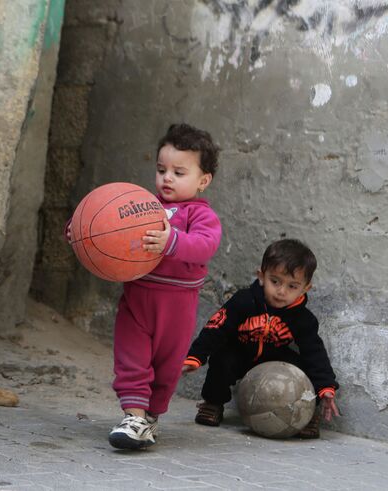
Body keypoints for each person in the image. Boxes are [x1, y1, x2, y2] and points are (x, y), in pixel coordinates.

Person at [67, 123, 222, 449]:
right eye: (161, 169)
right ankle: (133, 416)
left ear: (203, 181)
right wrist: (80, 231)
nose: (167, 177)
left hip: (177, 305)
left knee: (167, 369)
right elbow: (106, 222)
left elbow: (205, 246)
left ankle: (150, 416)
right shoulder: (139, 205)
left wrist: (171, 240)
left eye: (179, 172)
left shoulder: (200, 215)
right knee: (131, 359)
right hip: (137, 299)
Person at [182, 238, 340, 438]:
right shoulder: (243, 301)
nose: (281, 292)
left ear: (305, 288)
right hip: (241, 352)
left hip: (275, 359)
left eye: (292, 286)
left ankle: (305, 415)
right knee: (222, 358)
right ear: (261, 276)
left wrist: (326, 387)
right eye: (275, 281)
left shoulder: (303, 319)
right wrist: (195, 357)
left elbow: (315, 353)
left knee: (304, 368)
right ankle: (213, 404)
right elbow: (216, 328)